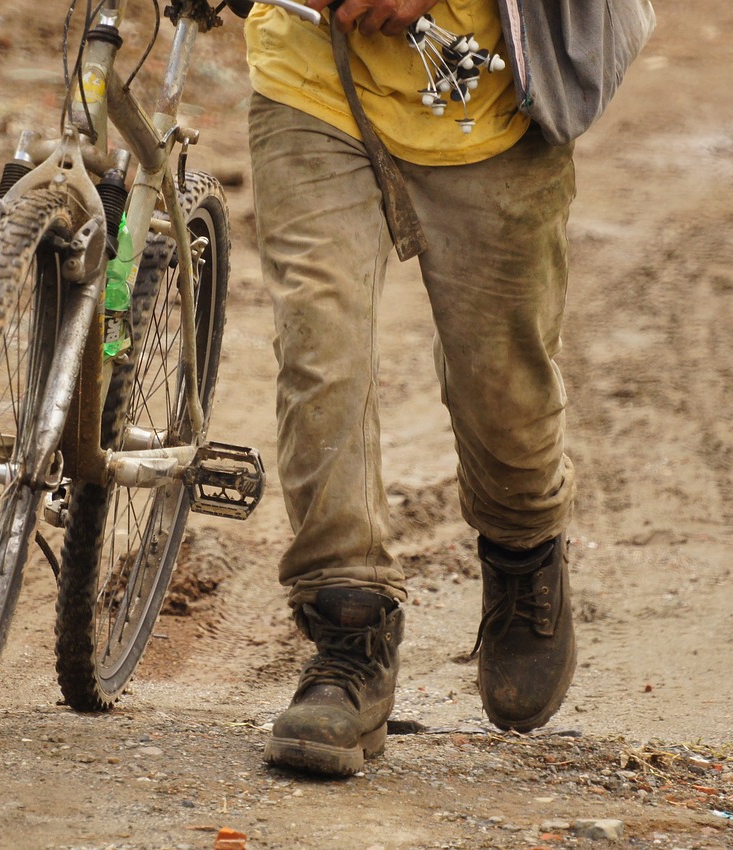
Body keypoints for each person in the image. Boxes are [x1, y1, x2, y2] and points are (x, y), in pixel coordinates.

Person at [244, 0, 580, 777]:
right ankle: (348, 632)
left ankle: (523, 548)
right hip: (312, 81)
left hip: (489, 99)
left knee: (502, 384)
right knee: (319, 344)